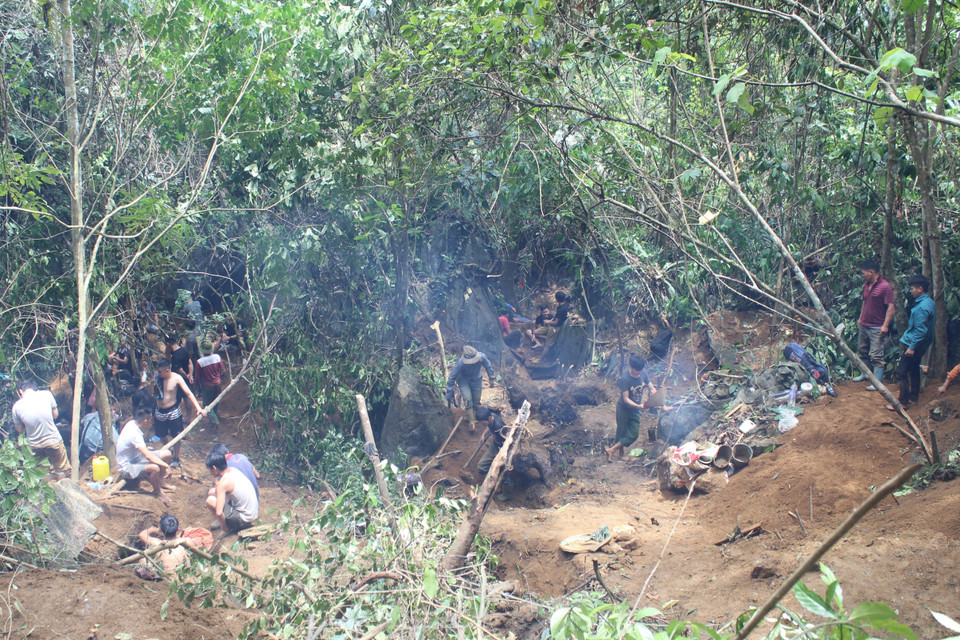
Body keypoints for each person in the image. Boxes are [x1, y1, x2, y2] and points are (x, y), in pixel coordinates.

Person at [888, 275, 936, 410]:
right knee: (914, 369)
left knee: (900, 372)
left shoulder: (921, 308)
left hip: (914, 344)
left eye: (912, 288)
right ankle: (913, 397)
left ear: (920, 289)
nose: (911, 291)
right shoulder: (929, 302)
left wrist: (912, 347)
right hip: (922, 344)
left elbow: (920, 330)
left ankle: (902, 402)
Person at [11, 379, 70, 479]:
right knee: (60, 469)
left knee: (43, 472)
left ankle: (49, 488)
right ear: (36, 389)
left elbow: (20, 430)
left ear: (21, 391)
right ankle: (62, 486)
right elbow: (55, 415)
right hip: (53, 440)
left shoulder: (16, 407)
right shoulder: (46, 394)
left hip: (35, 445)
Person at [116, 407, 174, 506]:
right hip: (127, 467)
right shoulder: (134, 434)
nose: (152, 422)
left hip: (136, 457)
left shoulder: (132, 423)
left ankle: (161, 481)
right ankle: (157, 492)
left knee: (167, 454)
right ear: (145, 421)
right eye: (150, 419)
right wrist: (166, 465)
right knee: (155, 468)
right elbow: (148, 456)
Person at [154, 358, 206, 468]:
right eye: (157, 371)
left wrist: (198, 408)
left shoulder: (176, 378)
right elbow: (151, 394)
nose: (158, 373)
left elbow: (188, 393)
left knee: (176, 436)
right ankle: (168, 450)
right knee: (162, 435)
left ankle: (176, 457)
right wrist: (152, 383)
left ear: (167, 370)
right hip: (159, 411)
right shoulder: (157, 378)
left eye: (160, 372)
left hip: (173, 411)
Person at [606, 354, 657, 462]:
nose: (639, 373)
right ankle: (620, 454)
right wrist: (638, 406)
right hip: (624, 409)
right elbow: (626, 399)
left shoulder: (643, 373)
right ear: (631, 367)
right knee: (621, 431)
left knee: (634, 433)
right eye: (637, 371)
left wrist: (654, 393)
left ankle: (612, 450)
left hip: (635, 410)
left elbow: (651, 387)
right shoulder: (625, 379)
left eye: (640, 370)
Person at [854, 260, 896, 390]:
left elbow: (891, 307)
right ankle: (865, 374)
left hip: (877, 326)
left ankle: (877, 382)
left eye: (863, 273)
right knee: (862, 350)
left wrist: (885, 325)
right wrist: (860, 318)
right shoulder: (866, 286)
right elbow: (865, 302)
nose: (862, 275)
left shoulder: (885, 287)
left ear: (871, 272)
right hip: (864, 324)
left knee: (876, 354)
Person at [444, 345, 495, 432]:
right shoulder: (461, 363)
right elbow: (452, 376)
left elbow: (488, 366)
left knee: (476, 400)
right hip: (463, 380)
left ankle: (472, 415)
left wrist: (491, 378)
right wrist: (449, 392)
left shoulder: (482, 357)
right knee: (468, 399)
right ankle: (471, 421)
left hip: (476, 379)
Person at [205, 451, 258, 533]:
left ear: (214, 468)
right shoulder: (233, 470)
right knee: (212, 492)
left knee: (210, 501)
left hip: (243, 519)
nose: (210, 473)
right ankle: (228, 520)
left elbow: (219, 513)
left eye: (209, 470)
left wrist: (223, 525)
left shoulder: (223, 484)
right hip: (253, 513)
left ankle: (229, 526)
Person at [475, 406, 511, 494]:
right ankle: (490, 483)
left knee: (505, 471)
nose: (481, 424)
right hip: (495, 445)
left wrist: (503, 452)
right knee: (481, 466)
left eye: (482, 422)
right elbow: (489, 426)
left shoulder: (499, 426)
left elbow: (508, 438)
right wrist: (483, 434)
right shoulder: (491, 416)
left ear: (489, 418)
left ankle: (507, 494)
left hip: (503, 447)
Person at [196, 339, 225, 426]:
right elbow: (223, 371)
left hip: (208, 386)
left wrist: (195, 387)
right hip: (218, 384)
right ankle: (213, 419)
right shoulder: (217, 357)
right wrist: (220, 379)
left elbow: (197, 377)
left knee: (206, 405)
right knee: (215, 401)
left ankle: (214, 420)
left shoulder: (200, 362)